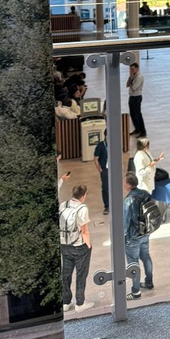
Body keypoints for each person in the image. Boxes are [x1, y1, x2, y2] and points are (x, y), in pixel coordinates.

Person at [59, 184, 95, 312]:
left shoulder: (63, 205)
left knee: (66, 274)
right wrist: (89, 245)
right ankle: (80, 303)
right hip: (79, 246)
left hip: (64, 245)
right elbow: (84, 231)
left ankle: (66, 302)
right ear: (83, 195)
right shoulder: (82, 208)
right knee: (81, 274)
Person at [123, 171, 154, 300]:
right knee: (146, 256)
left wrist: (122, 237)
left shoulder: (128, 200)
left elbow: (125, 222)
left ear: (128, 185)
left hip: (133, 236)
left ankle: (136, 291)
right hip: (145, 232)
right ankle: (149, 282)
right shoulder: (145, 194)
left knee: (133, 263)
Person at [126, 61, 146, 136]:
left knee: (137, 114)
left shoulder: (139, 77)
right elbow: (127, 85)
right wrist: (130, 79)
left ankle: (143, 131)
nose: (131, 70)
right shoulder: (132, 76)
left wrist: (131, 82)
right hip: (131, 96)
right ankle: (137, 129)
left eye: (132, 69)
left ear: (137, 68)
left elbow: (134, 87)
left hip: (136, 97)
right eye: (130, 69)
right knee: (132, 114)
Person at [94, 130, 109, 213]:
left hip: (113, 168)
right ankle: (107, 206)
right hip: (104, 169)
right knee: (105, 188)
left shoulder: (114, 144)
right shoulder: (100, 145)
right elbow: (96, 158)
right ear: (106, 136)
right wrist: (99, 169)